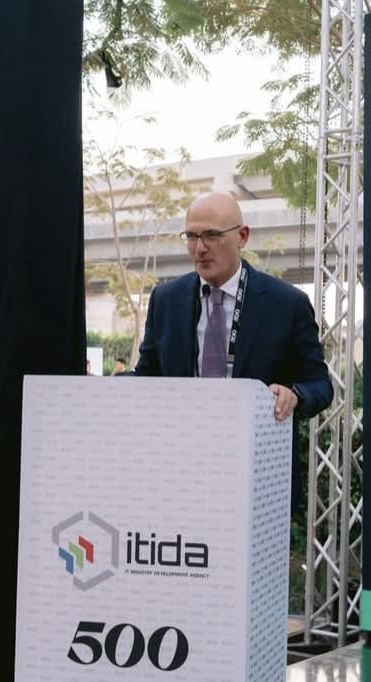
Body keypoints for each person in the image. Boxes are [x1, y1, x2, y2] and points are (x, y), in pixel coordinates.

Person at [132, 191, 333, 506]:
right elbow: (147, 378)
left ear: (242, 236)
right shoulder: (166, 299)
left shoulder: (287, 303)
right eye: (192, 236)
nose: (200, 248)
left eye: (211, 235)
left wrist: (295, 395)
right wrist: (101, 390)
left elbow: (320, 385)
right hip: (179, 473)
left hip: (256, 478)